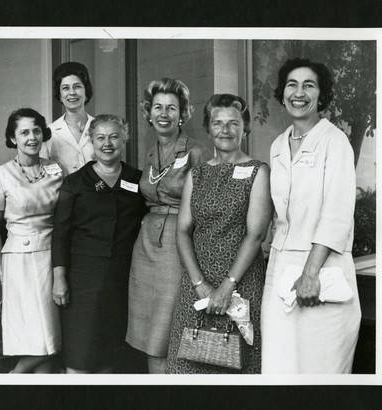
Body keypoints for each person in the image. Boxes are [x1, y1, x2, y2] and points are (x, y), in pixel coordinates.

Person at [261, 58, 361, 374]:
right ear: (283, 92)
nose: (299, 92)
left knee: (321, 369)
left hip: (322, 268)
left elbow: (337, 214)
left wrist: (310, 273)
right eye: (292, 84)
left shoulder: (335, 141)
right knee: (279, 365)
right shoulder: (278, 145)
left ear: (321, 94)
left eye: (309, 85)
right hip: (280, 270)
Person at [165, 94, 273, 374]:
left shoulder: (257, 172)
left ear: (245, 128)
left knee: (237, 366)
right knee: (186, 365)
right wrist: (199, 283)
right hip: (196, 283)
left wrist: (228, 285)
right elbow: (182, 231)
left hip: (240, 283)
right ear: (208, 128)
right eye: (218, 123)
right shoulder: (196, 174)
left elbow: (256, 234)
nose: (225, 130)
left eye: (233, 123)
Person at [126, 78, 212, 373]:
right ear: (148, 113)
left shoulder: (197, 151)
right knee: (149, 335)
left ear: (182, 113)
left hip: (178, 247)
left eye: (172, 108)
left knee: (167, 332)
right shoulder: (149, 153)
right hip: (146, 246)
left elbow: (206, 208)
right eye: (158, 107)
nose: (164, 114)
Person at [51, 114, 147, 373]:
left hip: (124, 280)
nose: (108, 143)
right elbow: (60, 233)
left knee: (112, 359)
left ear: (124, 139)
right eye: (100, 137)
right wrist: (59, 277)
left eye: (114, 136)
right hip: (83, 280)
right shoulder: (75, 182)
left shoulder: (138, 180)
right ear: (91, 142)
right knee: (80, 357)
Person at [0, 108, 64, 373]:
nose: (32, 137)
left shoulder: (55, 169)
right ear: (12, 138)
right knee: (37, 339)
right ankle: (13, 378)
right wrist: (2, 273)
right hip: (19, 261)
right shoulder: (0, 175)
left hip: (52, 256)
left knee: (51, 337)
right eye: (24, 132)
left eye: (37, 130)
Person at [40, 61, 95, 175]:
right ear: (59, 95)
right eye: (65, 88)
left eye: (77, 87)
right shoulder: (50, 133)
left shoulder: (100, 128)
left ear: (86, 91)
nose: (72, 92)